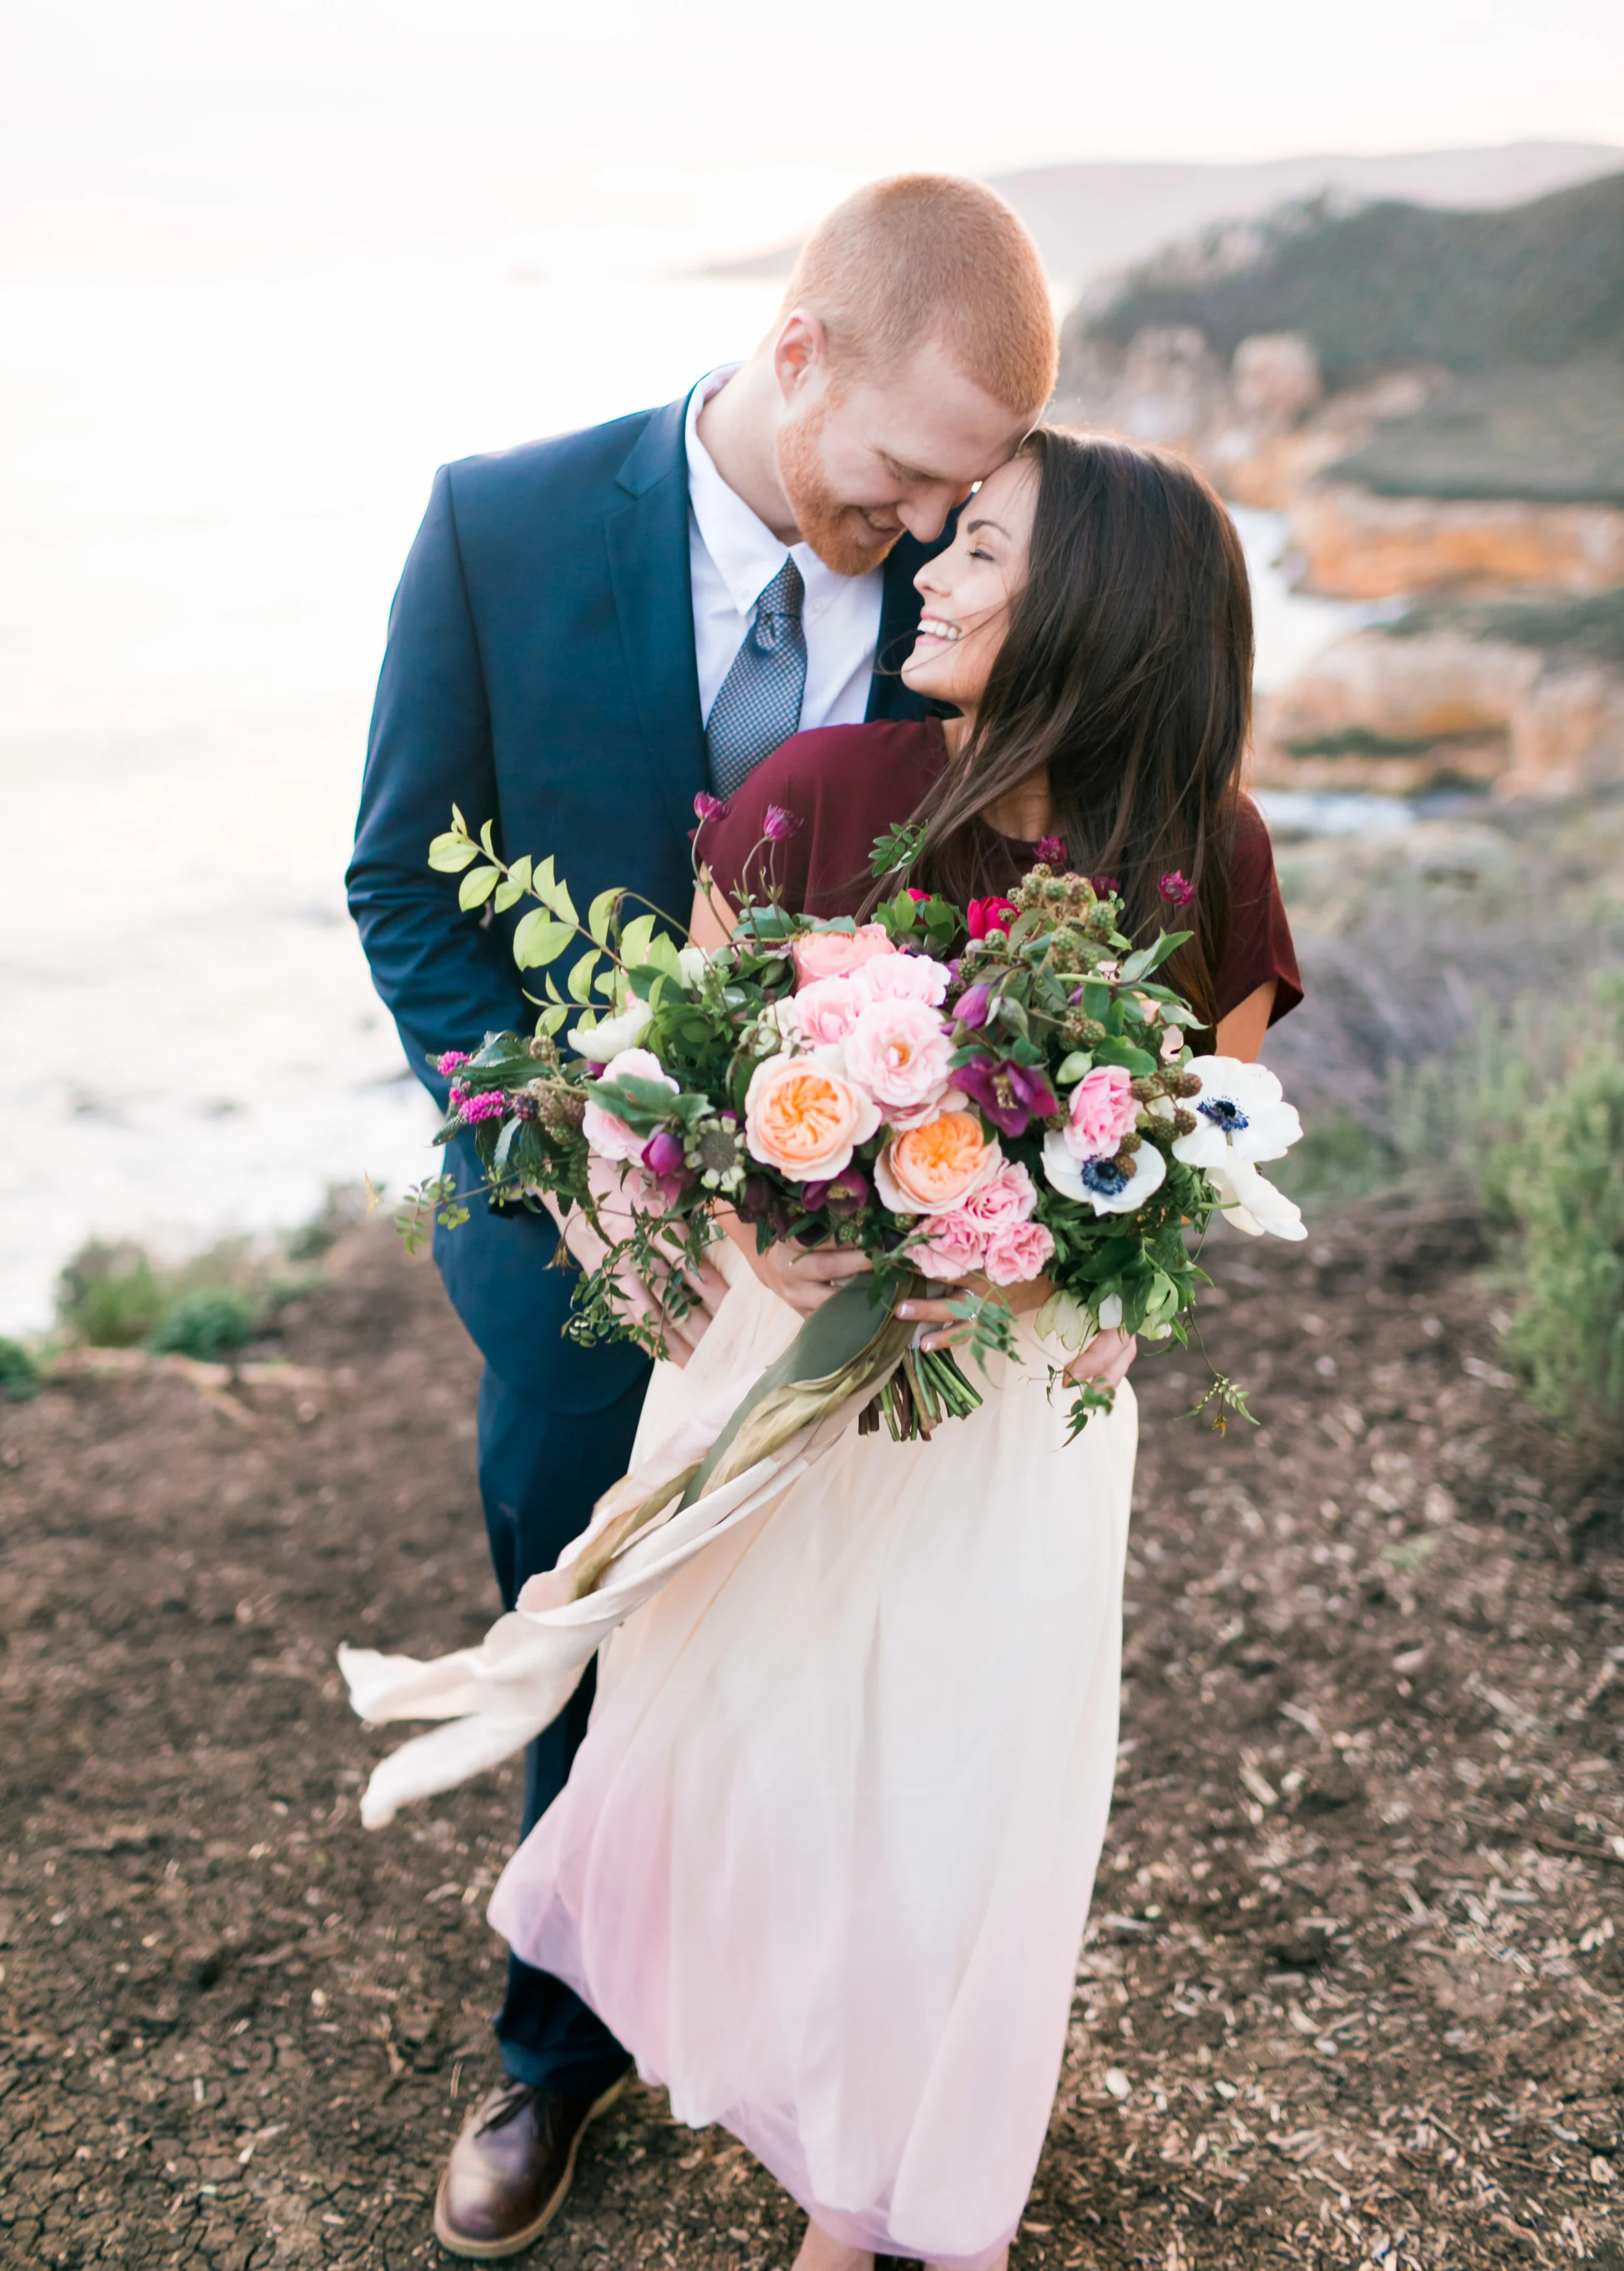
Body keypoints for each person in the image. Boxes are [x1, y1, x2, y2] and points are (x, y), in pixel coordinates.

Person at [485, 429, 1302, 2271]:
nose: (927, 572)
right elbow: (681, 1103)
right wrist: (752, 1228)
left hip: (1011, 1418)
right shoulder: (811, 792)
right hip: (781, 1388)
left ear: (1088, 604)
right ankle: (807, 2130)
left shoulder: (1208, 857)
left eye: (981, 548)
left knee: (956, 1796)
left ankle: (871, 2199)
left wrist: (1037, 1278)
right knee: (771, 1776)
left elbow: (1194, 1171)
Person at [346, 173, 1059, 2257]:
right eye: (901, 473)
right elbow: (406, 882)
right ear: (799, 350)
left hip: (862, 1248)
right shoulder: (494, 524)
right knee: (588, 1605)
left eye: (959, 495)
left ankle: (806, 2055)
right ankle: (551, 2050)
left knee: (833, 1653)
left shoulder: (957, 581)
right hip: (578, 1240)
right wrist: (554, 1157)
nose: (920, 522)